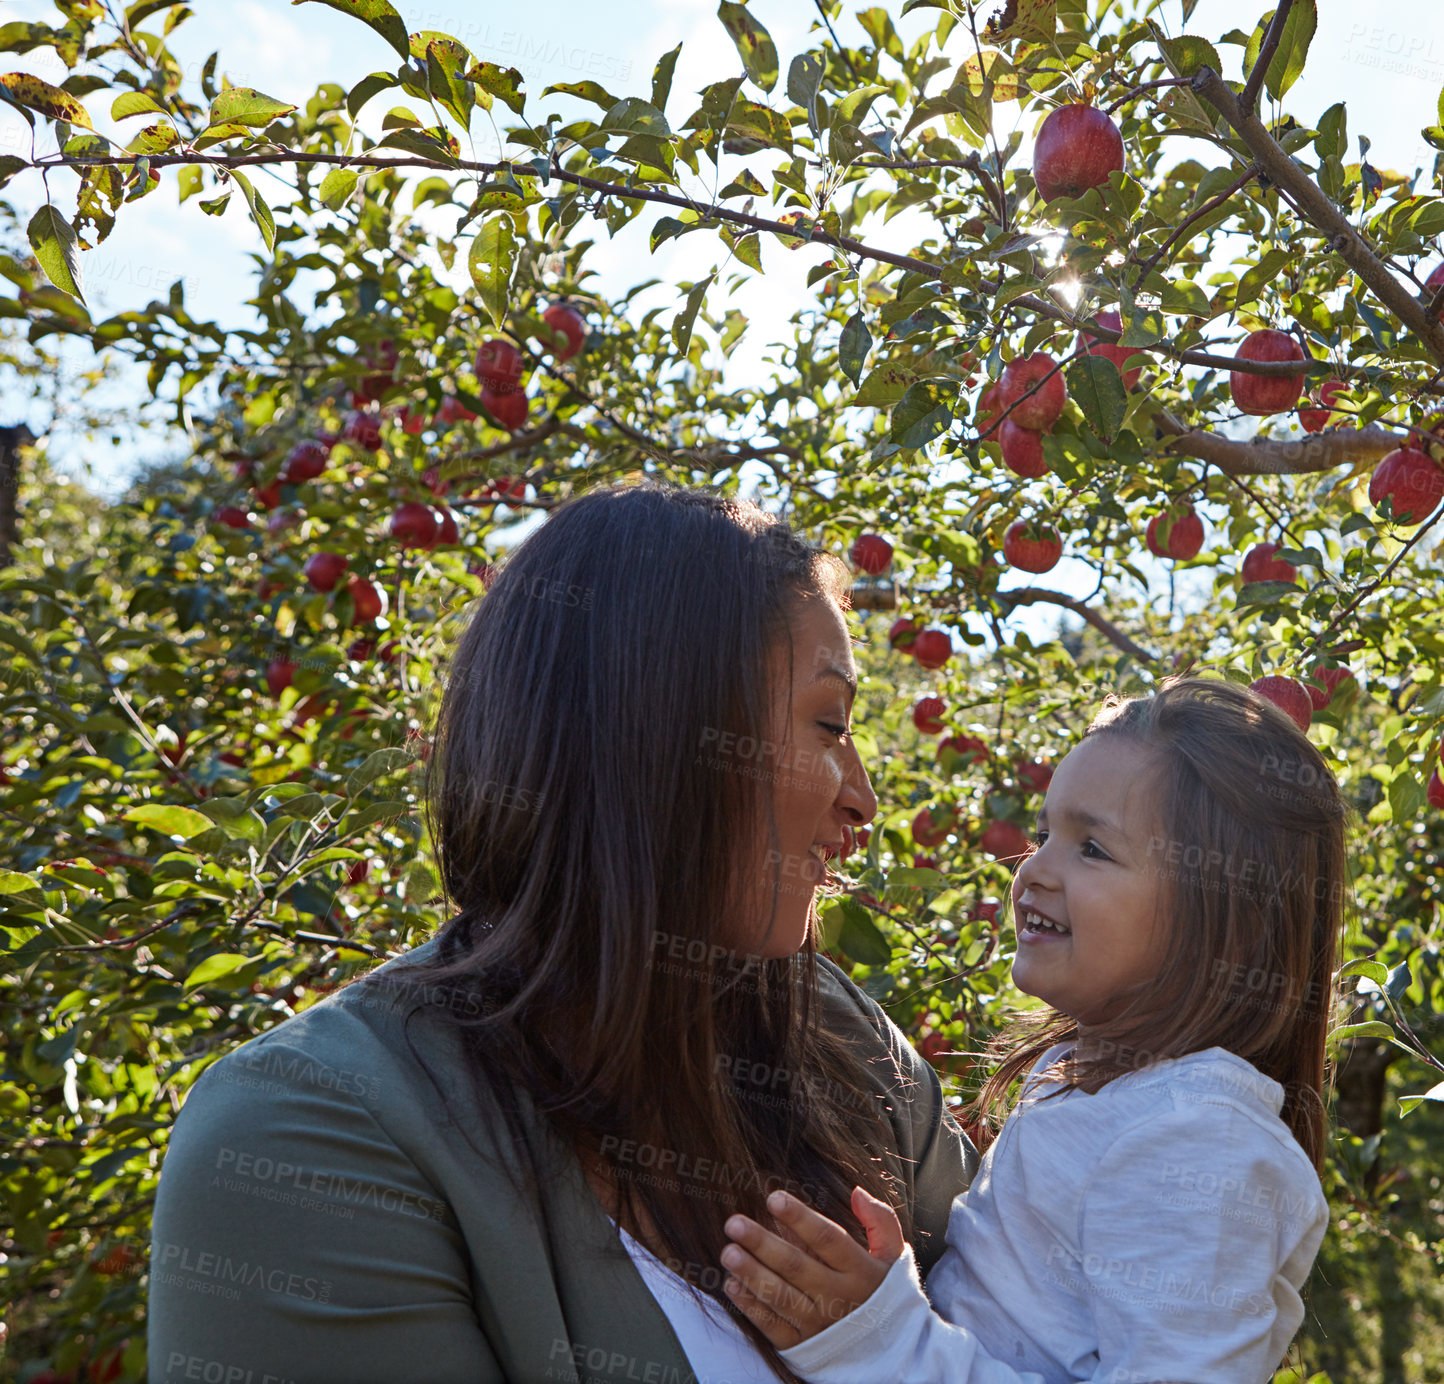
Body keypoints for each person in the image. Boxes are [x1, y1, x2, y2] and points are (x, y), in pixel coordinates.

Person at [146, 480, 977, 1383]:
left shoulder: (836, 1039)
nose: (864, 799)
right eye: (828, 724)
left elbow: (1059, 1325)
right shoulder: (305, 1132)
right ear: (659, 733)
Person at [718, 676, 1348, 1384]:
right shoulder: (1103, 1089)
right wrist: (910, 1298)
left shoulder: (1200, 1144)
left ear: (1227, 920)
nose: (1033, 870)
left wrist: (887, 1343)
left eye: (1093, 850)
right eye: (1046, 834)